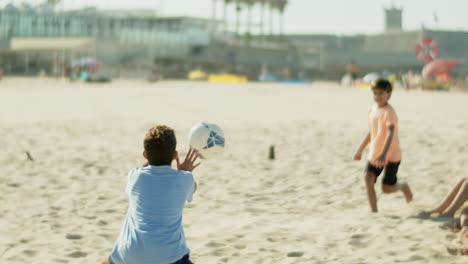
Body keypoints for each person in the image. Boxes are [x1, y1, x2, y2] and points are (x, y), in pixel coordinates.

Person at [103, 125, 200, 264]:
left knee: (105, 261)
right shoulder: (184, 179)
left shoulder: (135, 176)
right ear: (175, 155)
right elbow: (193, 188)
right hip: (170, 259)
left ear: (145, 155)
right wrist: (186, 173)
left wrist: (154, 157)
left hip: (130, 257)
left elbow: (145, 169)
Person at [353, 79, 413, 212]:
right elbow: (372, 132)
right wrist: (360, 149)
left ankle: (403, 187)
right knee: (368, 178)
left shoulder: (389, 112)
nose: (377, 96)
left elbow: (390, 134)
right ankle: (374, 212)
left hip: (391, 154)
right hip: (375, 152)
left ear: (389, 94)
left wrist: (384, 154)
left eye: (381, 93)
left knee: (386, 189)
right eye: (375, 93)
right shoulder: (372, 109)